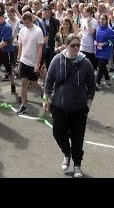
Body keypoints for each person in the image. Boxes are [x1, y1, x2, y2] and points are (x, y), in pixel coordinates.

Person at [43, 34, 96, 178]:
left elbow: (92, 86)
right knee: (58, 133)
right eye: (72, 45)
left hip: (79, 109)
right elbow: (48, 81)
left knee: (77, 138)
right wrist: (45, 98)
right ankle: (67, 153)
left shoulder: (85, 63)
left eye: (78, 45)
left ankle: (77, 165)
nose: (76, 48)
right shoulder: (57, 60)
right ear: (66, 46)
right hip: (59, 106)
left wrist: (88, 104)